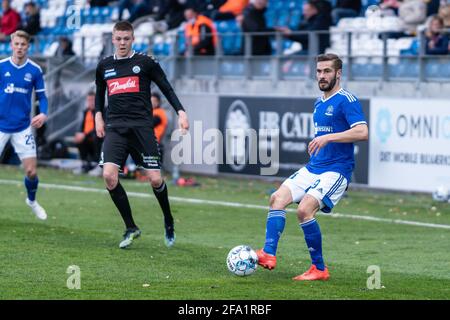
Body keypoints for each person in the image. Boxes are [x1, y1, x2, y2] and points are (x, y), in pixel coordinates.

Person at [256, 53, 368, 281]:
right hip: (314, 167)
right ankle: (268, 254)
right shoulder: (319, 103)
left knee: (304, 210)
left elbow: (362, 132)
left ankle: (319, 268)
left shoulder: (347, 100)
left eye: (327, 71)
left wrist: (329, 138)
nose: (322, 76)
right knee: (277, 198)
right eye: (319, 71)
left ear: (338, 73)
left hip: (337, 169)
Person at [94, 21, 189, 249]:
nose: (122, 43)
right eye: (118, 38)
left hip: (141, 128)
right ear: (113, 39)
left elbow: (166, 88)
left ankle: (168, 219)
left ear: (133, 39)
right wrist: (98, 116)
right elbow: (99, 93)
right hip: (116, 128)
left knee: (155, 179)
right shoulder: (104, 65)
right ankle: (131, 227)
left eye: (126, 38)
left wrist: (181, 112)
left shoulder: (145, 63)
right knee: (109, 176)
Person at [0, 30, 49, 220]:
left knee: (31, 171)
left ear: (28, 46)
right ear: (11, 45)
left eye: (23, 44)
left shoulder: (35, 70)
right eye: (17, 44)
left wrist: (43, 113)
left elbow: (43, 96)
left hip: (22, 127)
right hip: (1, 125)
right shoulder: (1, 66)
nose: (20, 47)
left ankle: (32, 201)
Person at [73, 91, 103, 173]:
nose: (90, 102)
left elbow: (100, 127)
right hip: (87, 137)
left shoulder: (101, 111)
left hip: (97, 137)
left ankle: (97, 164)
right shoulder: (86, 112)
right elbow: (82, 127)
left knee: (96, 137)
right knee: (78, 140)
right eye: (89, 100)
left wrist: (85, 135)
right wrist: (79, 133)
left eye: (92, 100)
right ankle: (85, 164)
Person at [151, 92, 168, 161]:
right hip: (150, 142)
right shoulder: (152, 111)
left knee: (153, 167)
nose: (152, 103)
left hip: (154, 143)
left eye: (154, 101)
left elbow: (150, 123)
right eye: (151, 101)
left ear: (158, 102)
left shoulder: (159, 112)